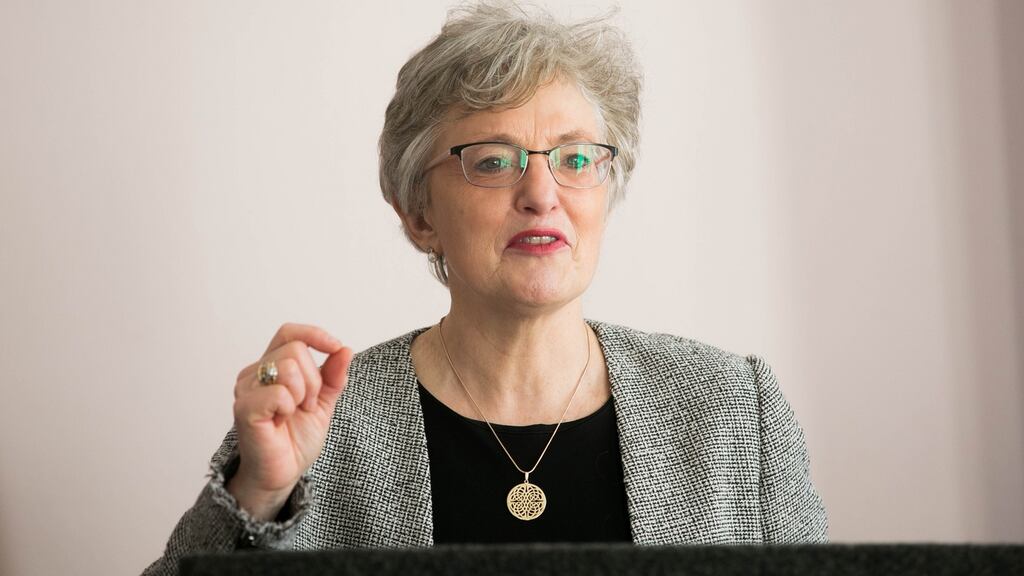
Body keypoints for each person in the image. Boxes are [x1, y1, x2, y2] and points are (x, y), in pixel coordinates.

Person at [143, 3, 827, 574]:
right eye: (493, 161)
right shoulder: (325, 430)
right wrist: (260, 491)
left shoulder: (735, 409)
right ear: (419, 213)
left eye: (575, 158)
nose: (541, 193)